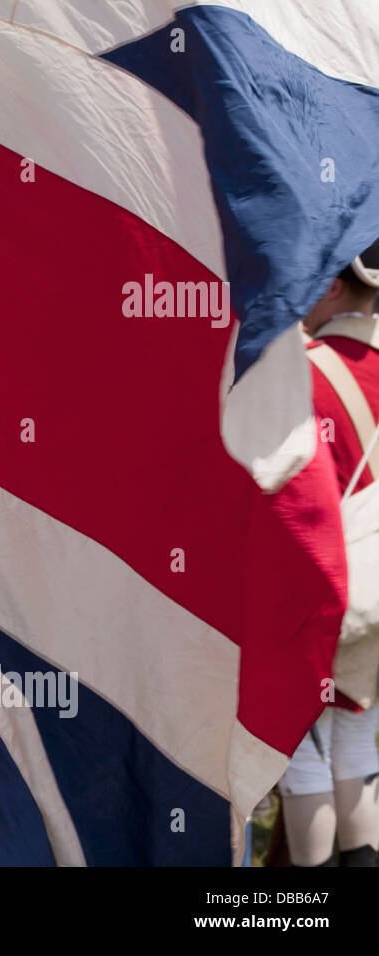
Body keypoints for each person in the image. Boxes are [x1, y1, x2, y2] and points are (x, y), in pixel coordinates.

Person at [278, 239, 379, 866]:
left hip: (322, 590)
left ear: (336, 285)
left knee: (298, 757)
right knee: (360, 747)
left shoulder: (301, 372)